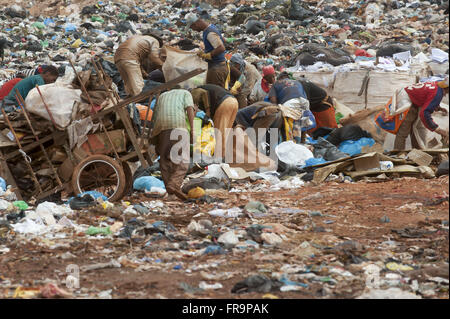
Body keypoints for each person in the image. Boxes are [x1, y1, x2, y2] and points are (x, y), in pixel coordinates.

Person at [150, 89, 196, 200]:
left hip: (161, 128)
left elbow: (155, 116)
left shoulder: (161, 95)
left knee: (165, 161)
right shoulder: (186, 93)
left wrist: (155, 136)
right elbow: (189, 108)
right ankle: (173, 184)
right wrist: (192, 129)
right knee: (183, 160)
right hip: (178, 126)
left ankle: (170, 193)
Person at [394, 77, 449, 150]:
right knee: (404, 130)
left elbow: (428, 97)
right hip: (407, 98)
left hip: (411, 95)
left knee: (417, 128)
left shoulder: (438, 84)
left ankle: (418, 151)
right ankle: (397, 154)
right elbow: (424, 113)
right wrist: (437, 129)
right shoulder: (438, 93)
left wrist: (437, 107)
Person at [191, 84, 238, 157]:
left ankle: (216, 159)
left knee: (217, 134)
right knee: (225, 134)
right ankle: (222, 157)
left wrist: (207, 112)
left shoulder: (194, 92)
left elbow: (203, 95)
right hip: (234, 102)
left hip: (224, 103)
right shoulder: (208, 88)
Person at [185, 13, 230, 89]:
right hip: (218, 66)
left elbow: (221, 48)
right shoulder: (211, 27)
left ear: (196, 24)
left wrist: (208, 55)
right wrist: (206, 51)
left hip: (217, 69)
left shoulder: (209, 32)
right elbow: (223, 41)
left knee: (215, 93)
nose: (193, 30)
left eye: (192, 27)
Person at [269, 72, 315, 143]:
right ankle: (302, 141)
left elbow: (273, 101)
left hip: (289, 103)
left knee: (288, 127)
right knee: (301, 123)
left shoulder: (276, 83)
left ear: (279, 78)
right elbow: (304, 96)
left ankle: (290, 144)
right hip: (304, 101)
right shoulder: (297, 82)